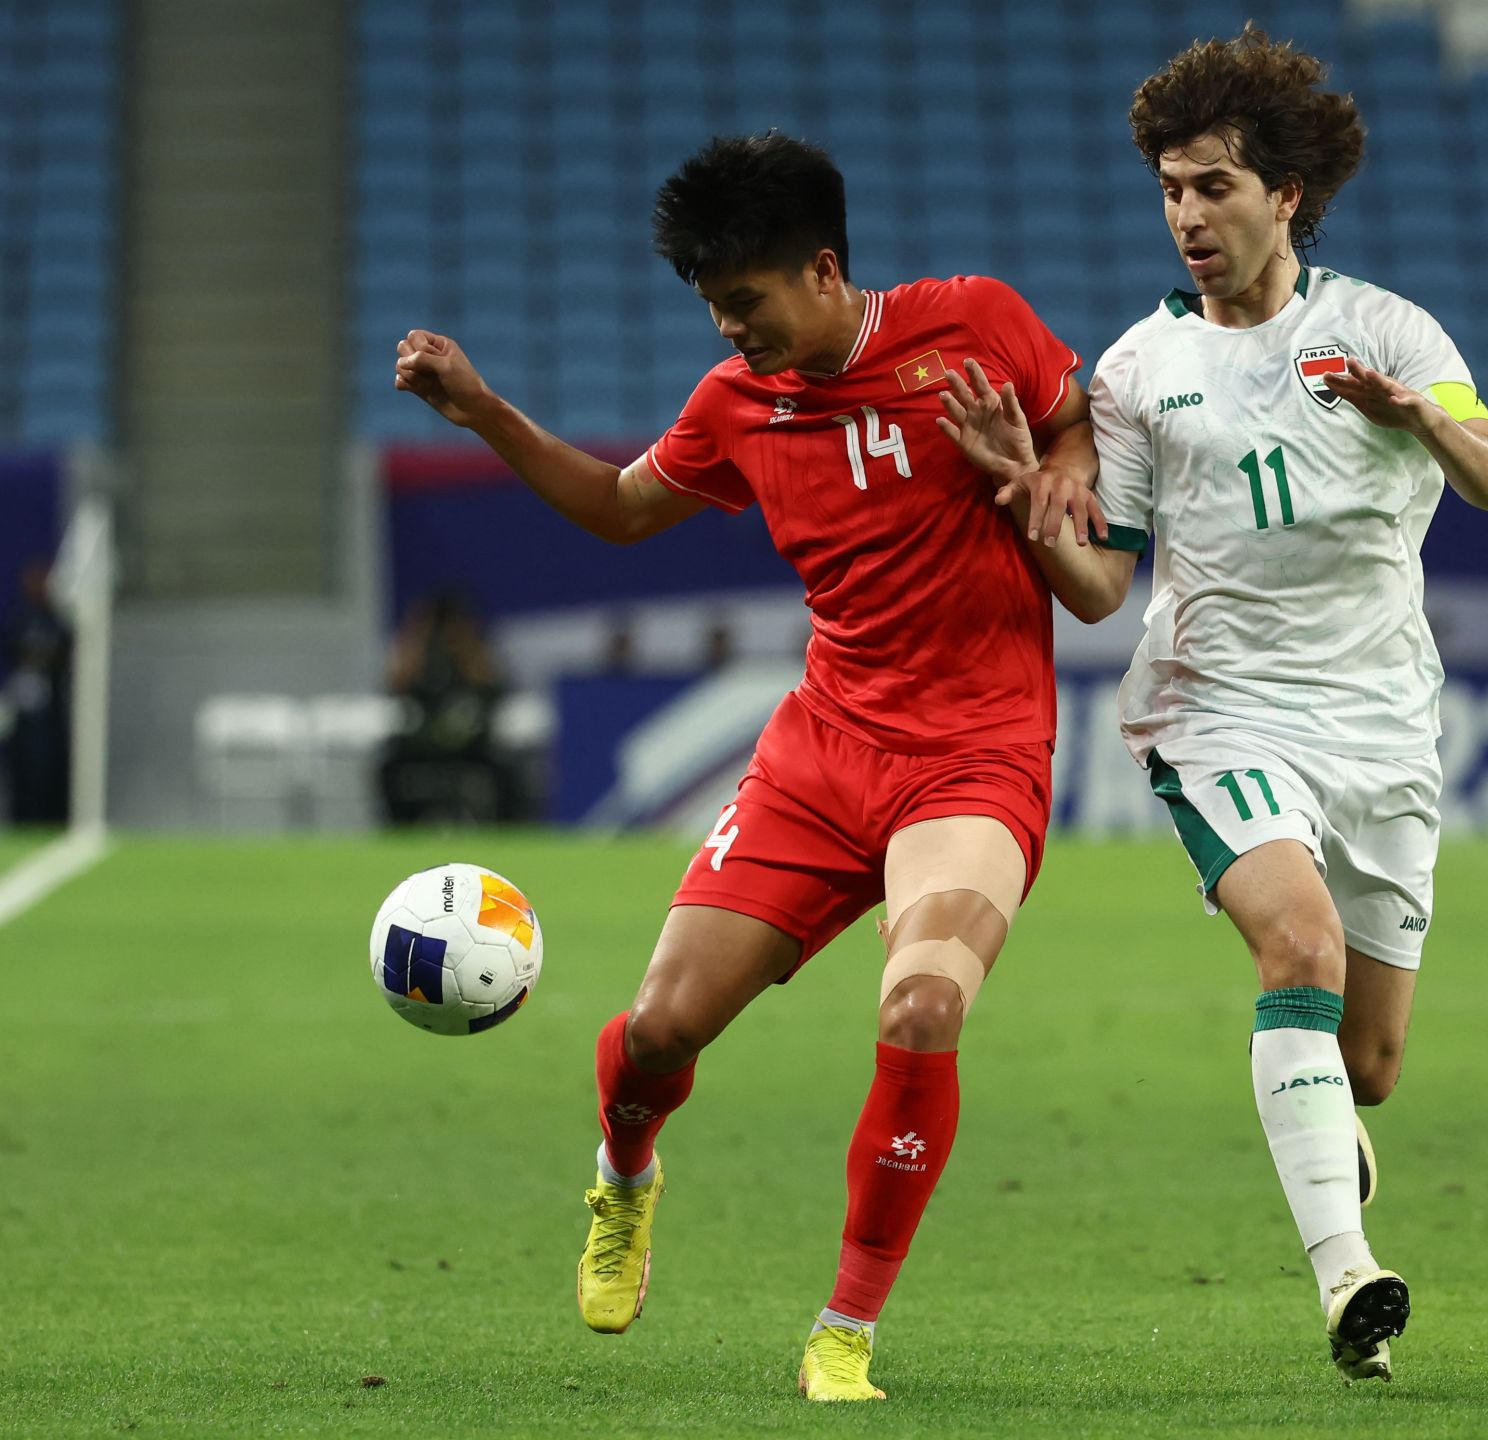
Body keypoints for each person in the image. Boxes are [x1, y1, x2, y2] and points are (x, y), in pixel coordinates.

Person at [394, 132, 1099, 1402]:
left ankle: (845, 1330)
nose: (729, 330)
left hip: (975, 757)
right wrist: (487, 413)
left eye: (745, 301)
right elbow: (621, 508)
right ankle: (623, 1178)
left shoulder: (975, 325)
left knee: (922, 1007)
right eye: (713, 307)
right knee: (659, 1031)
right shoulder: (736, 404)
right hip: (821, 755)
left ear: (824, 269)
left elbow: (1073, 420)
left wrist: (1052, 479)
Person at [936, 28, 1488, 1383]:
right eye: (1170, 190)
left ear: (1287, 195)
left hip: (1383, 726)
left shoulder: (1388, 331)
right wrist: (1024, 498)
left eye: (1214, 186)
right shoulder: (1138, 370)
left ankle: (1320, 1117)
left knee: (1368, 1065)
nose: (1188, 215)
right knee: (1299, 948)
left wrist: (1417, 418)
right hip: (1219, 712)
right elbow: (1100, 591)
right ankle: (1348, 1279)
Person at [378, 590, 514, 824]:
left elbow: (493, 689)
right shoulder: (421, 659)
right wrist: (419, 636)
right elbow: (396, 686)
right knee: (388, 769)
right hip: (422, 747)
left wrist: (465, 644)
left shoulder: (472, 655)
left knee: (505, 772)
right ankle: (401, 830)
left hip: (469, 748)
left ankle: (501, 830)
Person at [3, 559, 72, 825]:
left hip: (51, 712)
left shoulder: (58, 620)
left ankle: (54, 818)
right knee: (23, 766)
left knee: (50, 765)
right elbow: (14, 649)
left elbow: (65, 653)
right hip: (24, 713)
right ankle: (22, 818)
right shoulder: (20, 618)